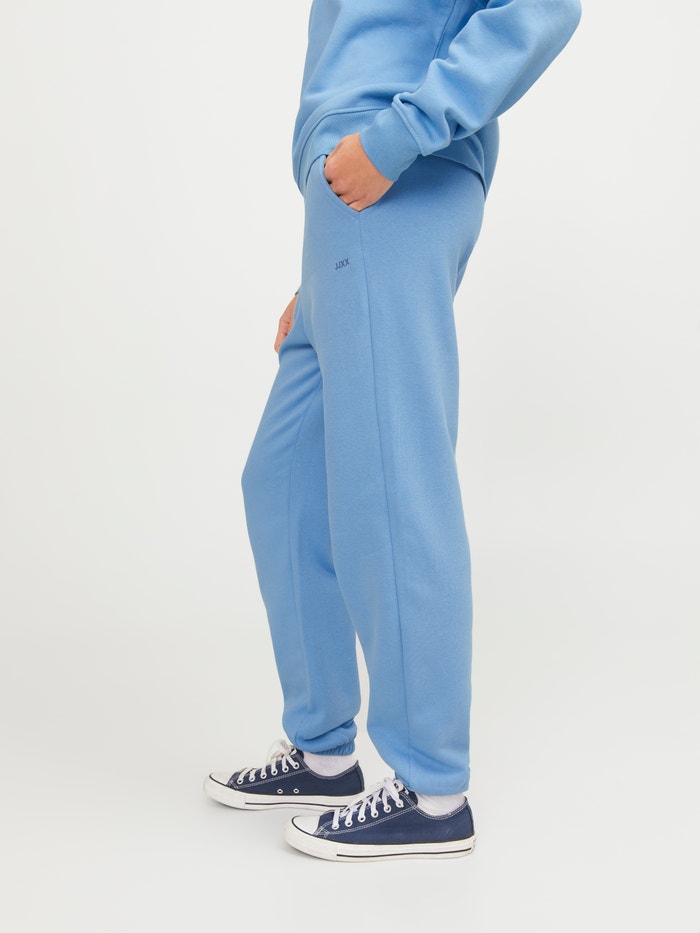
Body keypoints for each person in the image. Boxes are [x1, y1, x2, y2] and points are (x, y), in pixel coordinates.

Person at [204, 0, 582, 862]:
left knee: (392, 477)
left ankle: (431, 789)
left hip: (398, 173)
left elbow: (545, 6)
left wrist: (400, 135)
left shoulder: (397, 139)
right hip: (349, 207)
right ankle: (323, 753)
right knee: (284, 477)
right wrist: (322, 270)